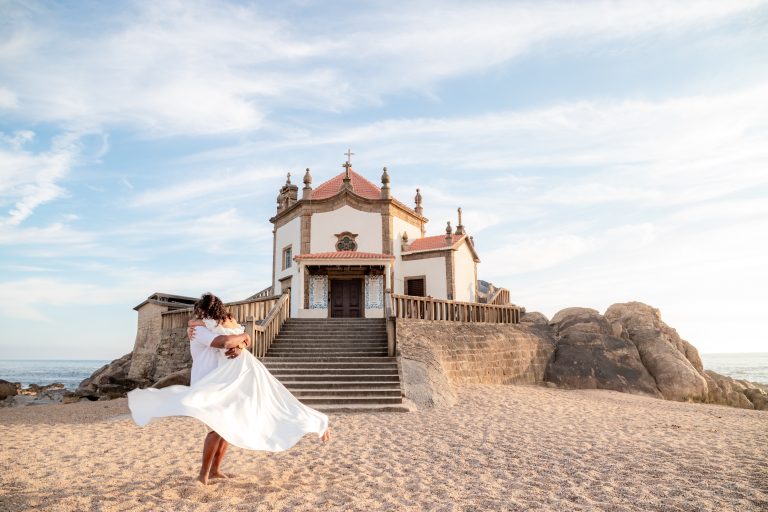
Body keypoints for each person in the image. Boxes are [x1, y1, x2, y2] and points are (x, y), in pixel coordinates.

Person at [128, 292, 330, 485]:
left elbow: (246, 340)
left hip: (228, 381)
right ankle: (203, 475)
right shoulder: (200, 330)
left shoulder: (217, 326)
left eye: (201, 311)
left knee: (225, 427)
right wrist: (241, 337)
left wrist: (242, 342)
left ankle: (214, 470)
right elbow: (224, 342)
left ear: (207, 311)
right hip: (209, 382)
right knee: (216, 429)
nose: (198, 314)